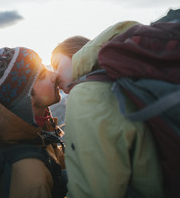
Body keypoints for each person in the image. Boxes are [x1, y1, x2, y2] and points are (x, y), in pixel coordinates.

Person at [51, 21, 164, 198]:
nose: (54, 75)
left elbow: (93, 191)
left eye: (56, 64)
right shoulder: (115, 80)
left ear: (75, 53)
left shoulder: (86, 94)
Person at [0, 46, 66, 198]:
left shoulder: (38, 128)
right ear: (23, 99)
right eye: (41, 76)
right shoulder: (32, 178)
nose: (53, 75)